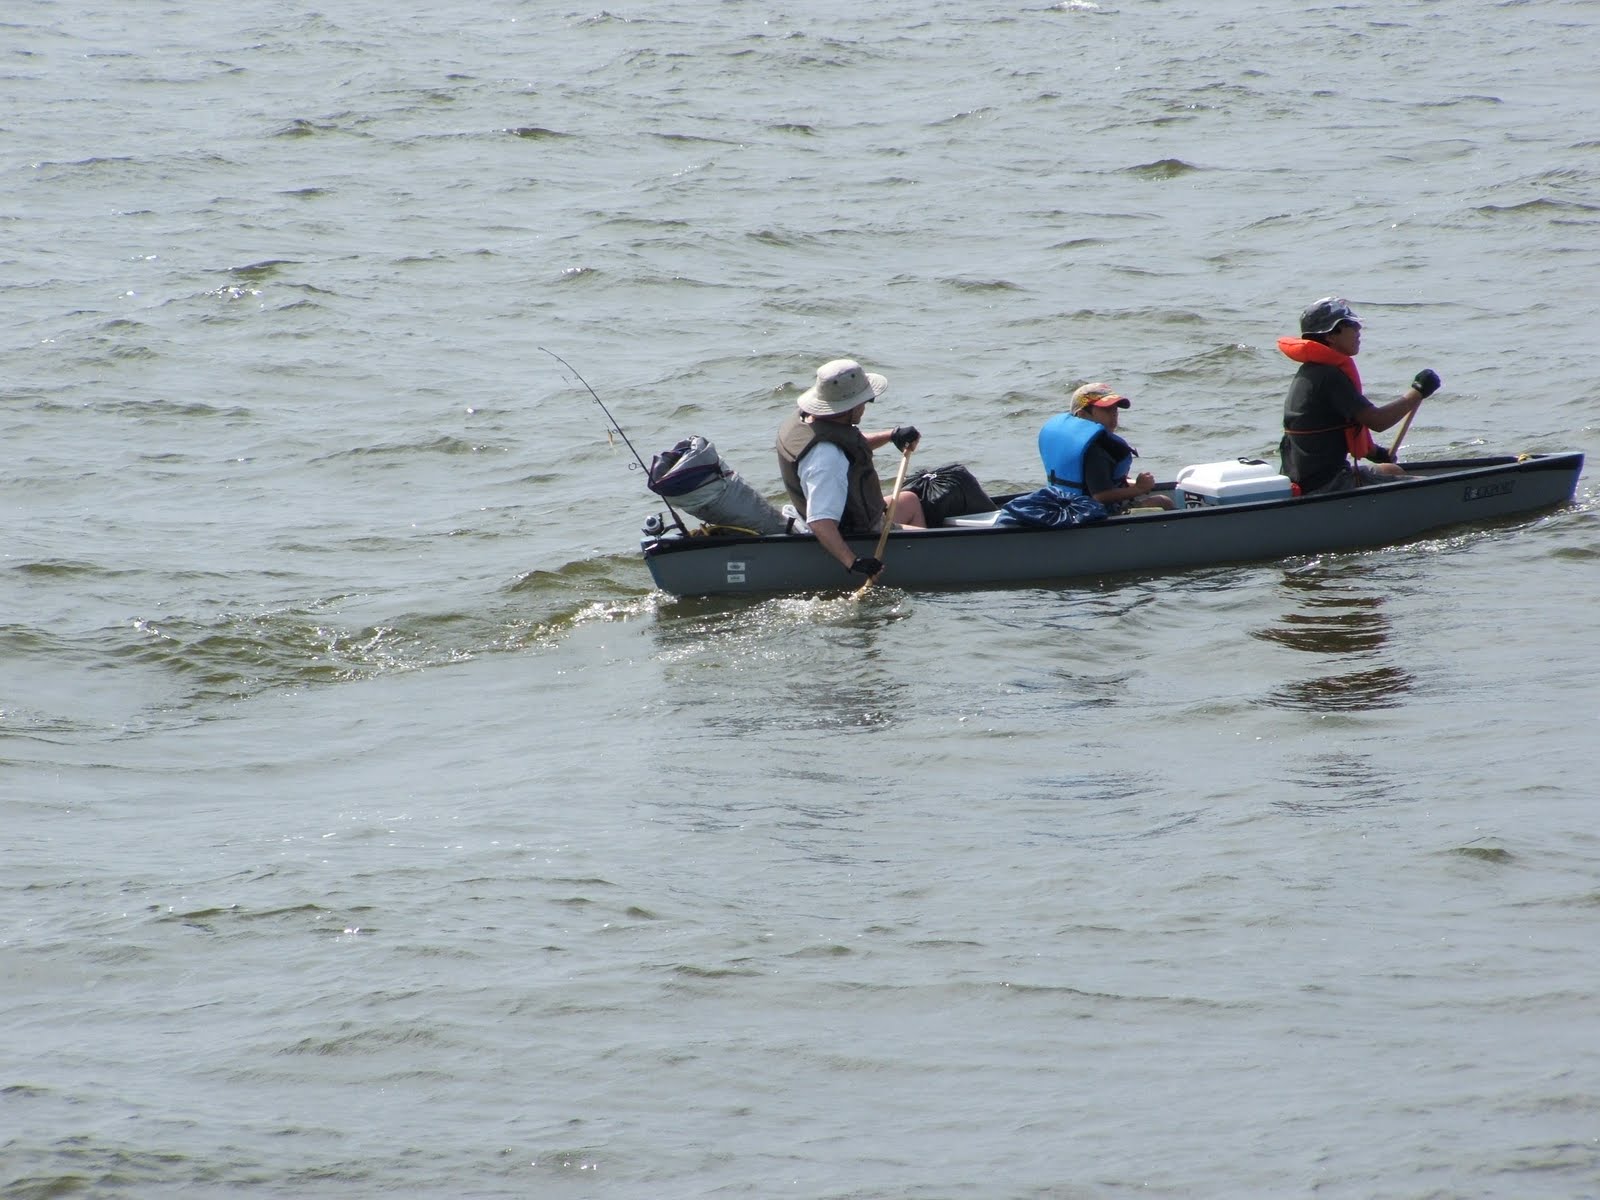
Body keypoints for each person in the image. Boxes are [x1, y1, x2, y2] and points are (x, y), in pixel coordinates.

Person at [776, 358, 924, 578]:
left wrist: (891, 436)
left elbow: (847, 442)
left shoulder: (809, 420)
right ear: (849, 407)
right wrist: (853, 562)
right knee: (926, 537)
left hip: (851, 512)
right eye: (866, 401)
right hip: (853, 531)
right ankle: (918, 569)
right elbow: (820, 521)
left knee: (910, 500)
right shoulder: (827, 460)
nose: (866, 406)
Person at [1278, 296, 1441, 495]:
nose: (1359, 330)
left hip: (1307, 479)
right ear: (1331, 335)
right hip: (1326, 484)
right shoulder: (1329, 376)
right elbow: (1378, 421)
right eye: (1351, 325)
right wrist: (1418, 391)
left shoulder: (1312, 372)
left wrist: (1377, 454)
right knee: (1426, 488)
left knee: (1391, 469)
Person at [1037, 382, 1174, 513]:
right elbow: (1101, 496)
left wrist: (1134, 486)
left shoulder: (1074, 443)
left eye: (1115, 409)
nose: (1114, 414)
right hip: (1095, 514)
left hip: (1072, 506)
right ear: (1082, 415)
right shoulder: (1095, 451)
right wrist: (1139, 488)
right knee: (1163, 501)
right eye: (1106, 409)